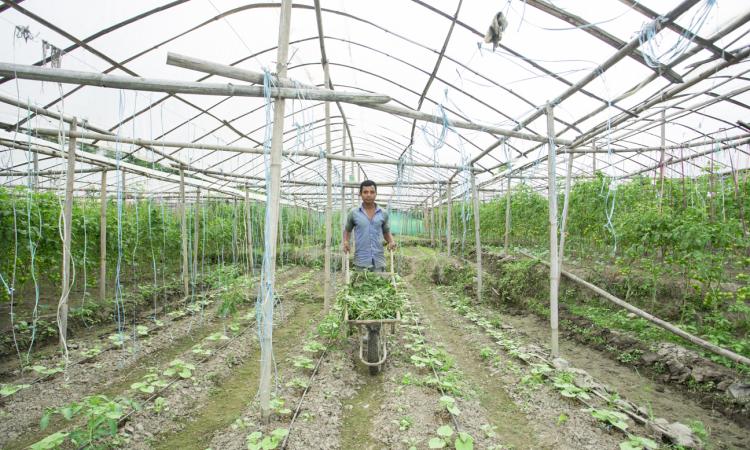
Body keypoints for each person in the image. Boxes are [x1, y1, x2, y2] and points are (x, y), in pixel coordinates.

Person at [343, 180, 396, 272]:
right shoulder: (353, 213)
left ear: (376, 194)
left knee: (379, 284)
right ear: (360, 194)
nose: (368, 195)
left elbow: (386, 231)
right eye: (365, 192)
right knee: (361, 285)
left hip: (378, 260)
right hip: (361, 260)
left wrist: (391, 241)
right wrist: (346, 242)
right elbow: (348, 229)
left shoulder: (383, 213)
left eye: (372, 192)